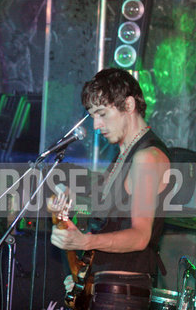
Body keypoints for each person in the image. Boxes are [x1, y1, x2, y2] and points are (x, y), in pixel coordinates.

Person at [50, 68, 172, 309]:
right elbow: (112, 226)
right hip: (108, 289)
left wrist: (84, 241)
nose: (96, 125)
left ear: (128, 105)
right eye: (93, 116)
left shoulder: (147, 157)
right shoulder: (123, 157)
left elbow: (139, 237)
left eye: (102, 114)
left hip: (122, 295)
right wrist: (84, 276)